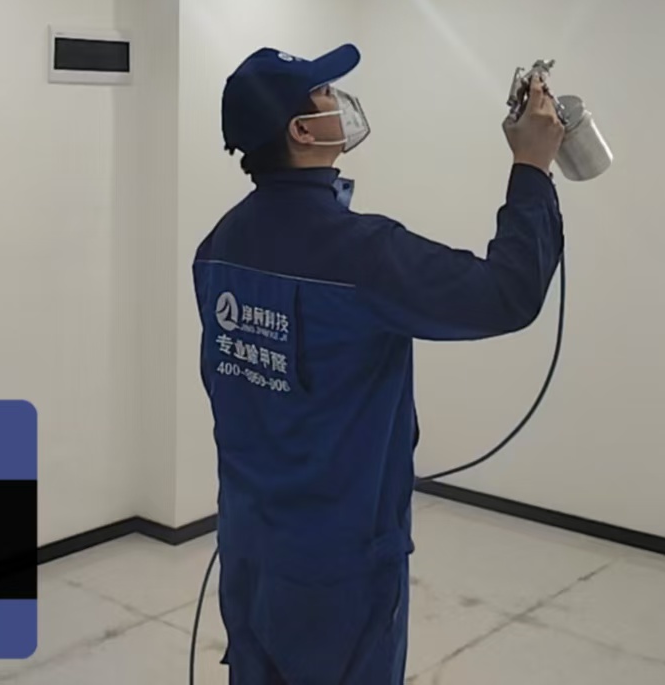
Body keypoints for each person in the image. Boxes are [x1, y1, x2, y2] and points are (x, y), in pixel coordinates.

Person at [193, 44, 566, 684]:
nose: (338, 101)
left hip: (249, 545)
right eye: (323, 93)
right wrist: (532, 168)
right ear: (302, 131)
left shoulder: (219, 244)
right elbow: (508, 293)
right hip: (339, 564)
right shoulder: (361, 254)